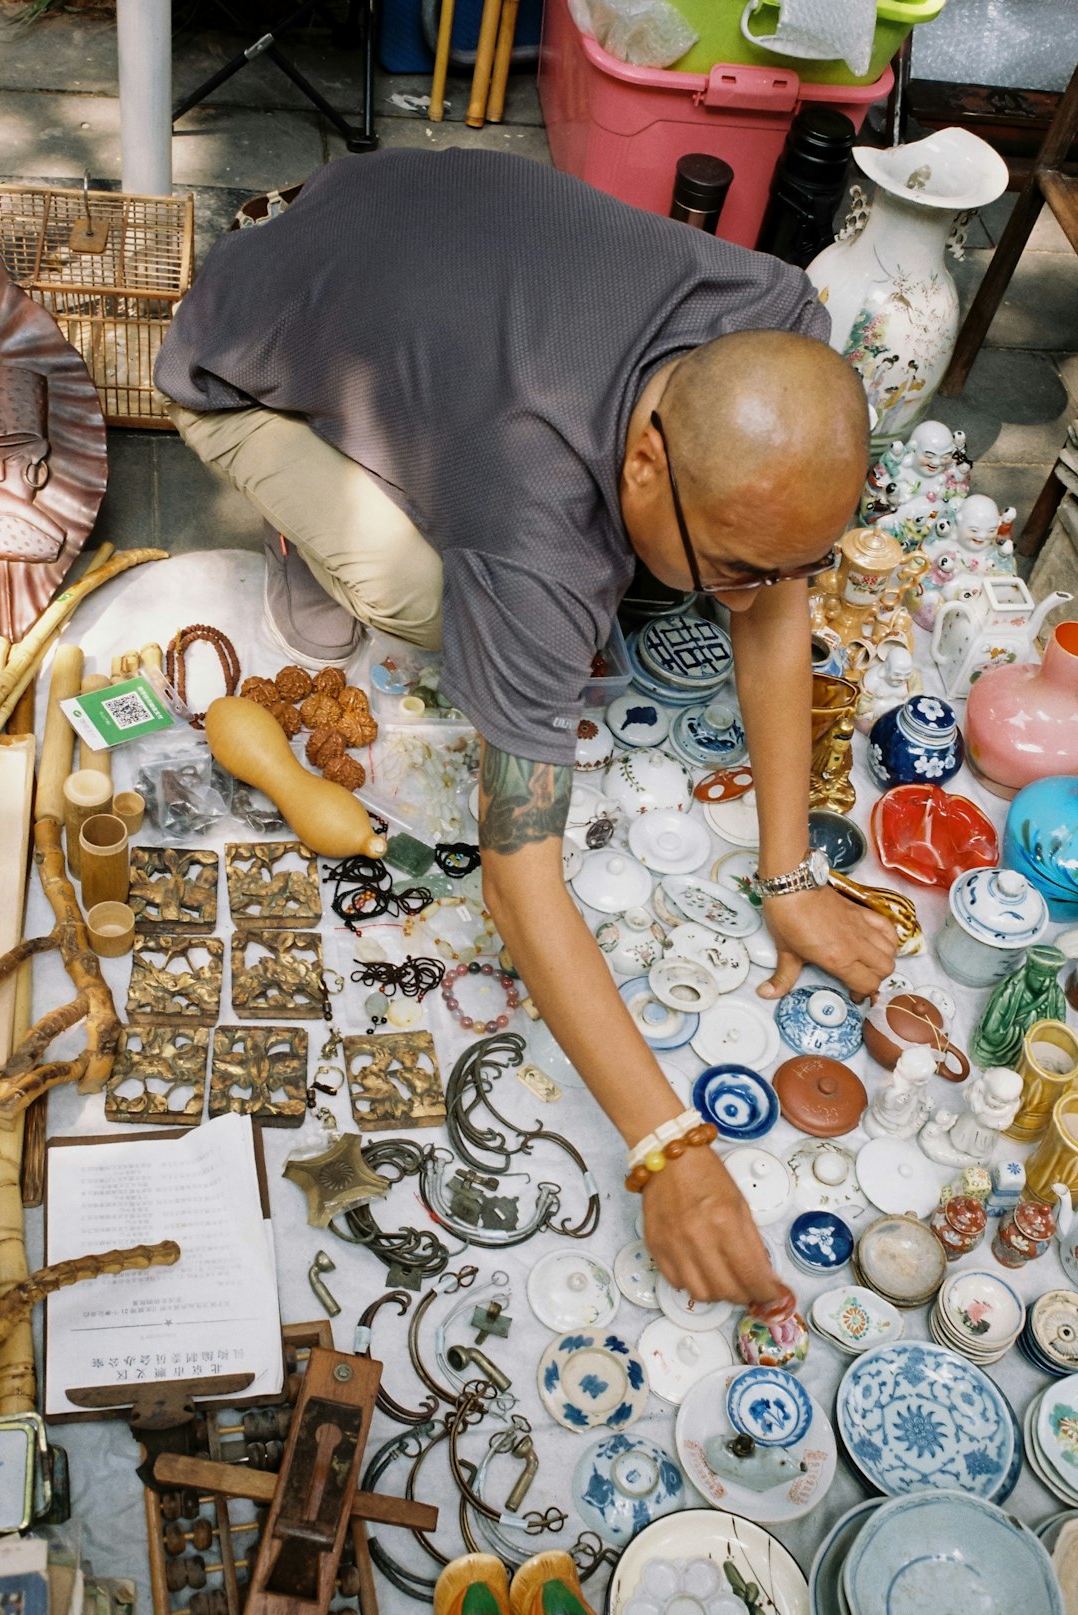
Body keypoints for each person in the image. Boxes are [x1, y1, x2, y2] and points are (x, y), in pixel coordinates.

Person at [156, 148, 898, 1308]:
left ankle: (409, 435)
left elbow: (781, 591)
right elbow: (518, 879)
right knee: (432, 599)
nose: (756, 602)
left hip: (388, 215)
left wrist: (788, 866)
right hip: (235, 353)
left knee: (665, 574)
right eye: (739, 571)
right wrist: (667, 1148)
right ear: (644, 458)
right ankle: (314, 501)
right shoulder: (535, 519)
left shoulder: (778, 321)